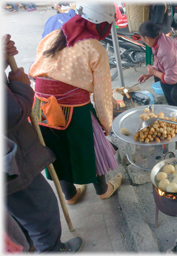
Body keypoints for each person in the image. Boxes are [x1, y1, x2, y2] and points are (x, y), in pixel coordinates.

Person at [29, 2, 122, 205]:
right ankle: (103, 190)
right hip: (74, 109)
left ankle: (69, 195)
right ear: (101, 25)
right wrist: (106, 124)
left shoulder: (52, 36)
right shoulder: (95, 49)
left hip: (40, 107)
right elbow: (102, 94)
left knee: (55, 150)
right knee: (93, 146)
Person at [4, 34, 83, 252]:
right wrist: (20, 86)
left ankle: (31, 246)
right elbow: (11, 112)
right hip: (10, 164)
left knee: (17, 215)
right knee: (42, 211)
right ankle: (51, 249)